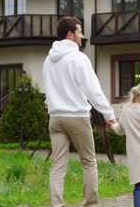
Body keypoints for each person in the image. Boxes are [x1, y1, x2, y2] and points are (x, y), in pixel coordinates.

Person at [42, 16, 116, 207]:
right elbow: (93, 90)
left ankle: (56, 205)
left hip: (55, 118)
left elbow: (48, 88)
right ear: (70, 34)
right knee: (89, 162)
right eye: (80, 32)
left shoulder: (49, 60)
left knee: (58, 165)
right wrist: (109, 115)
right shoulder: (79, 58)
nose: (82, 36)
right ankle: (90, 205)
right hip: (76, 117)